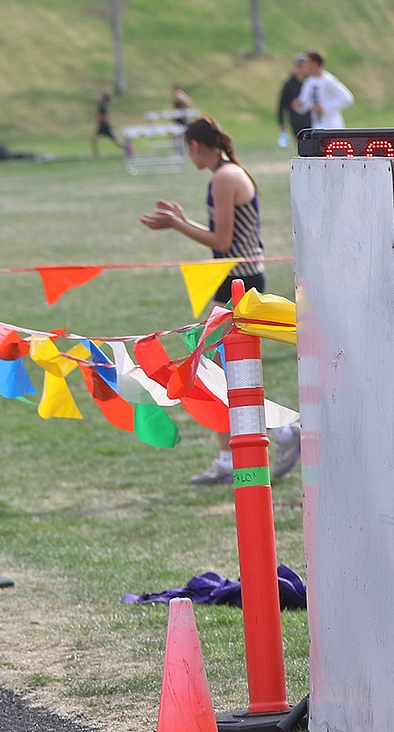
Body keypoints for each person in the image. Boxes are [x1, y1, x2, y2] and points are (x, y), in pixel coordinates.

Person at [139, 117, 300, 485]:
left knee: (219, 372)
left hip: (236, 284)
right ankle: (233, 455)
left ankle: (279, 435)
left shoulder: (224, 178)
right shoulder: (229, 173)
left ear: (196, 146)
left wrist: (176, 225)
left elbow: (222, 241)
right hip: (237, 280)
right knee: (218, 371)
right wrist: (183, 219)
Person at [292, 51, 355, 130]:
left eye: (307, 62)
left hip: (332, 126)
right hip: (317, 126)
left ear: (314, 63)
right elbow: (305, 103)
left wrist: (325, 108)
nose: (305, 65)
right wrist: (299, 105)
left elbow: (347, 99)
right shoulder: (309, 82)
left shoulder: (328, 80)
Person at [277, 54, 312, 147]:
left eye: (303, 66)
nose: (301, 69)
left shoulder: (311, 81)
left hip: (311, 118)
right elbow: (282, 104)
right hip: (295, 119)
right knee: (300, 143)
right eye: (298, 66)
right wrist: (281, 123)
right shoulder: (289, 84)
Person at [91, 91, 125, 157]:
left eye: (101, 97)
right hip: (102, 125)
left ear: (103, 98)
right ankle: (96, 154)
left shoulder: (102, 106)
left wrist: (96, 115)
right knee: (94, 139)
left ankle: (127, 147)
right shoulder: (101, 105)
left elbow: (104, 117)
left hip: (105, 126)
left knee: (116, 141)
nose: (99, 97)